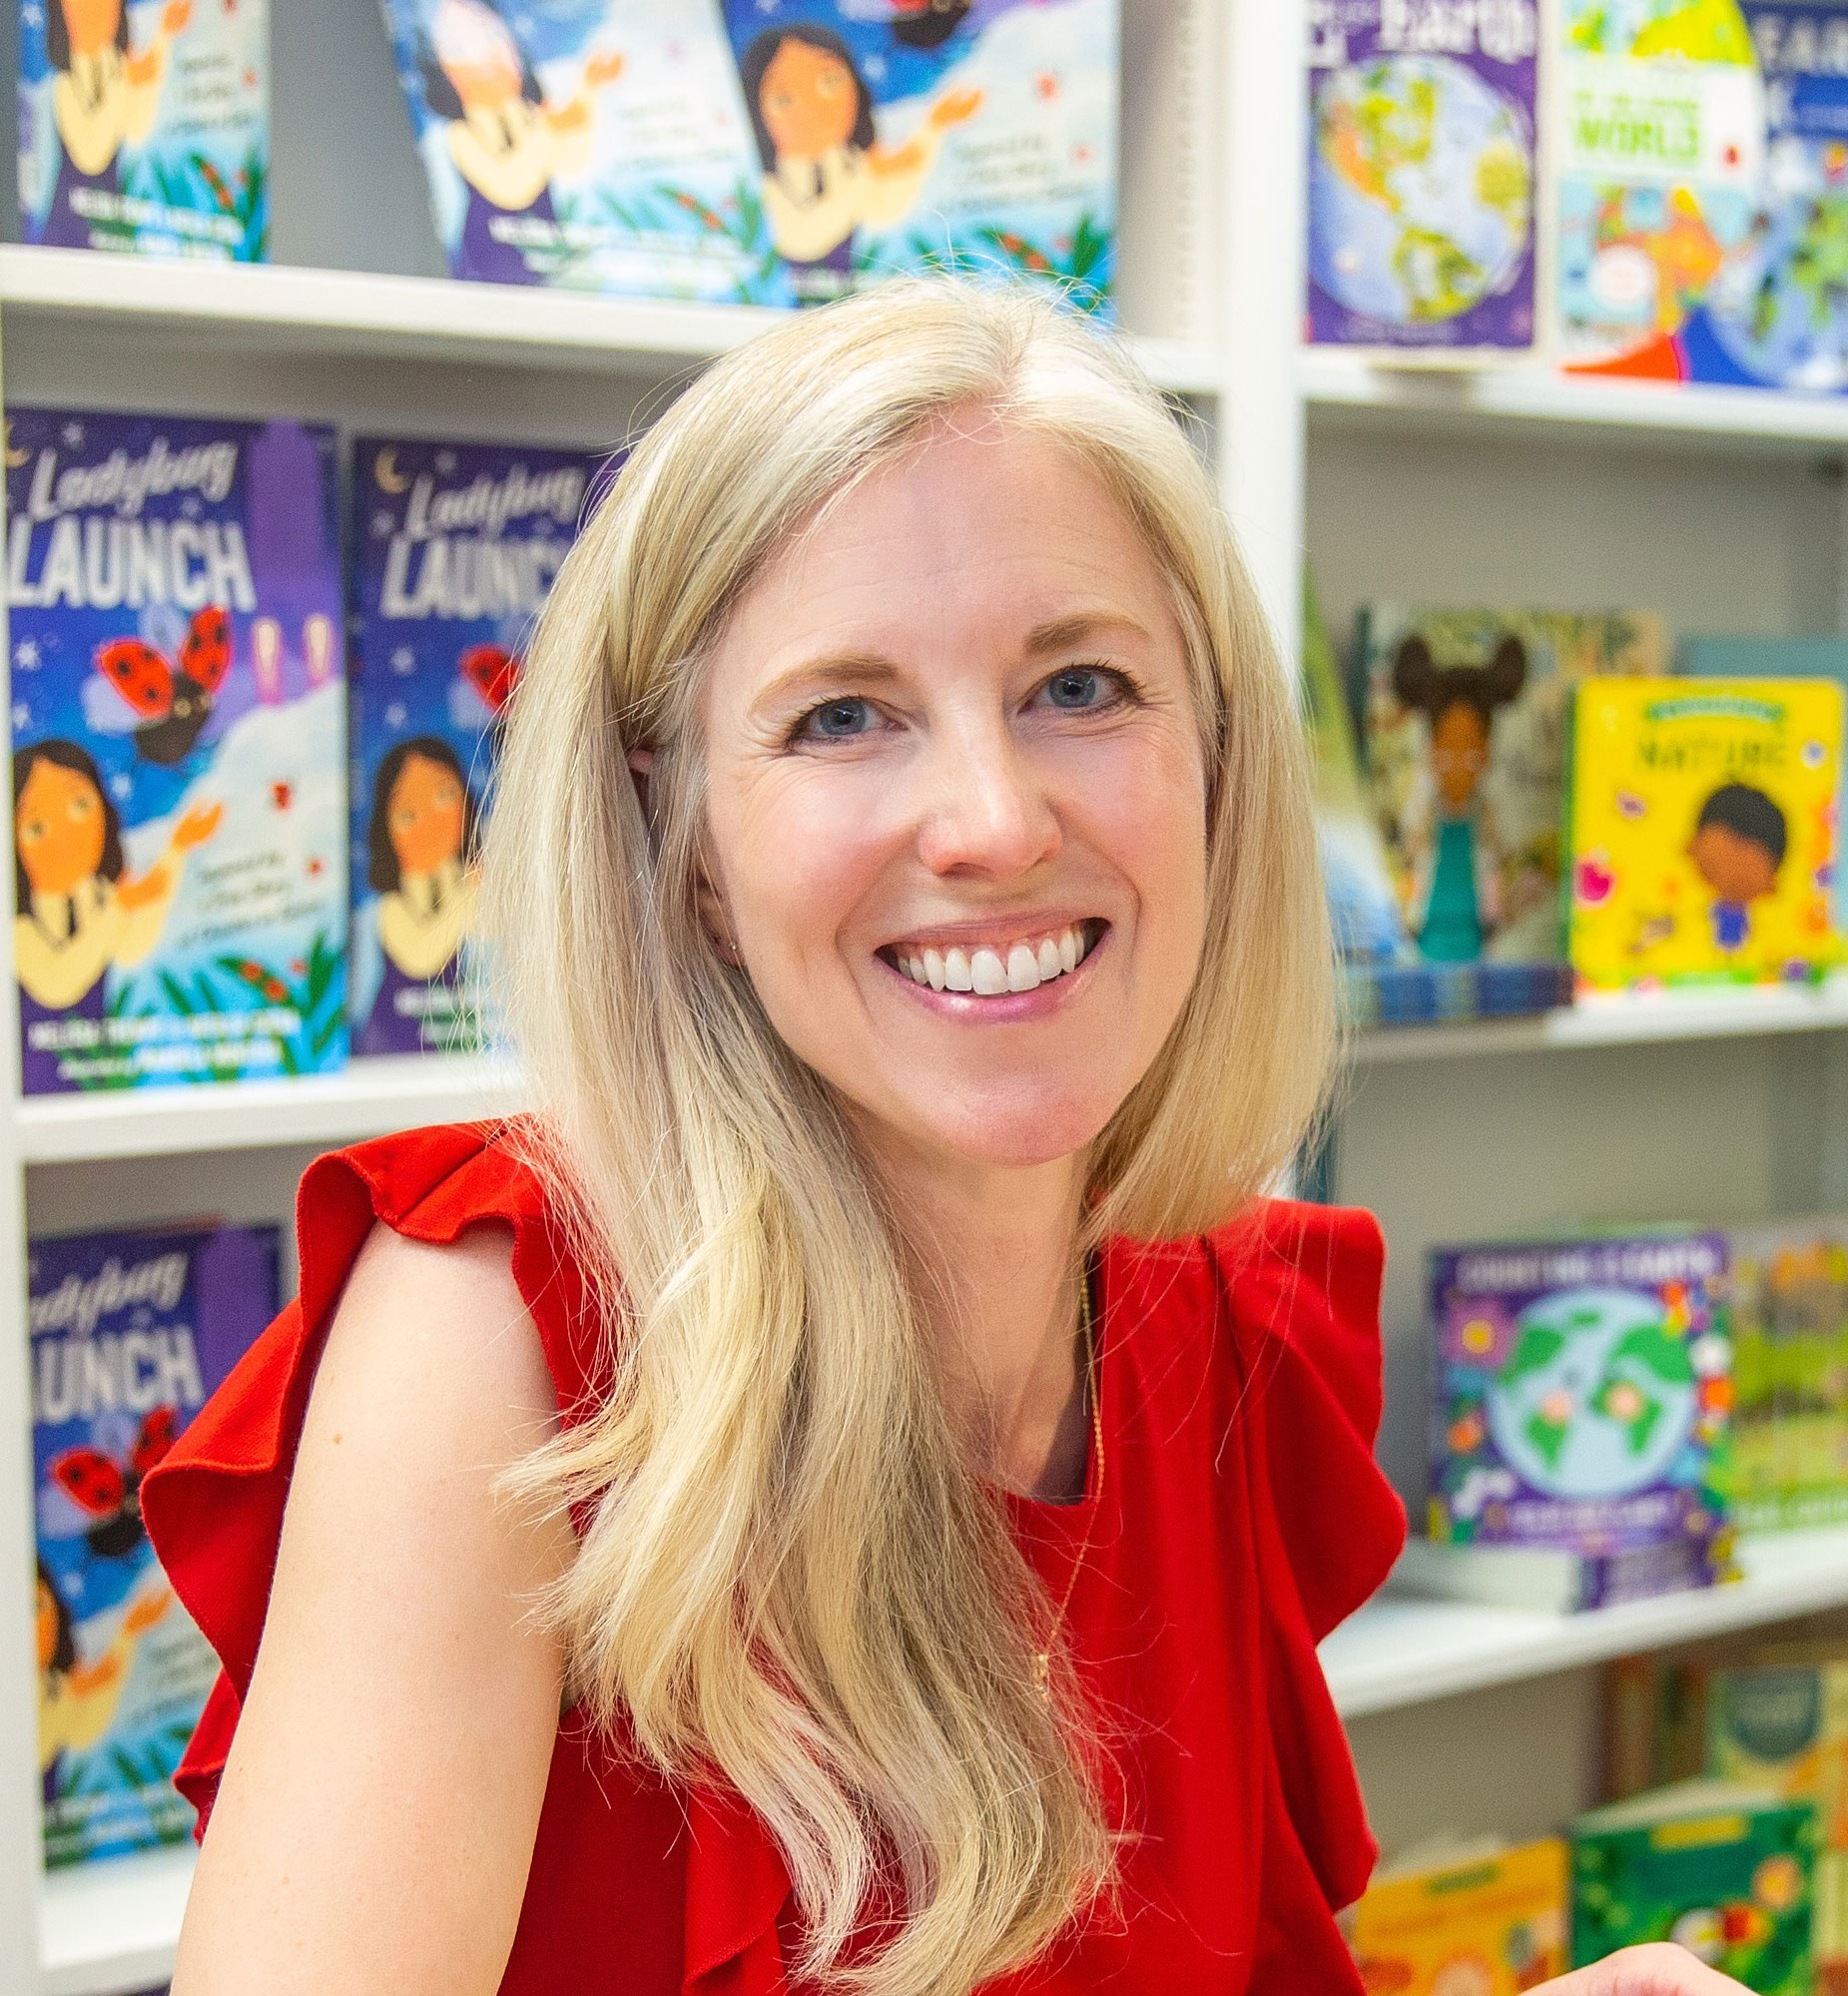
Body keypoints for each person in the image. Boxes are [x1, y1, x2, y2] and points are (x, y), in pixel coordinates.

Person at [143, 283, 1745, 1996]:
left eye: (1080, 683)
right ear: (682, 835)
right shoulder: (508, 1324)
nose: (991, 820)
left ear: (1213, 758)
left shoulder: (1213, 1320)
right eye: (843, 714)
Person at [12, 739, 221, 1093]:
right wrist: (118, 910)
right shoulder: (20, 925)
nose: (66, 836)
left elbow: (133, 945)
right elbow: (58, 983)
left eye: (80, 806)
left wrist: (177, 850)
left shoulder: (99, 895)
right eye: (37, 829)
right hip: (38, 1076)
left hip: (98, 1067)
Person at [738, 23, 980, 298]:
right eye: (783, 98)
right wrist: (869, 176)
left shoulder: (850, 162)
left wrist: (934, 127)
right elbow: (802, 237)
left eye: (830, 81)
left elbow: (887, 205)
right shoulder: (766, 184)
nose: (813, 106)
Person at [359, 735, 481, 1048]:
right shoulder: (388, 909)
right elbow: (422, 956)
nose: (430, 823)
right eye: (408, 815)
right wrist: (467, 896)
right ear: (385, 831)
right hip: (395, 1044)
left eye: (444, 796)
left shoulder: (472, 881)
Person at [39, 0, 191, 250]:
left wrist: (164, 34)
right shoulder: (65, 81)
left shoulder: (116, 64)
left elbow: (136, 129)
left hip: (111, 228)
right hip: (68, 233)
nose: (94, 14)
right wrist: (124, 82)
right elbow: (90, 156)